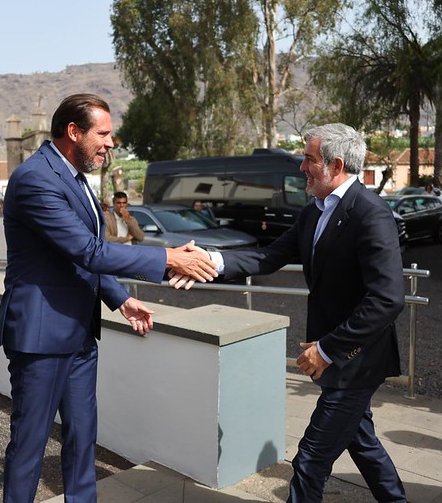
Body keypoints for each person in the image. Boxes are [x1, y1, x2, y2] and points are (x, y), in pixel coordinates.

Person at [0, 93, 217, 502]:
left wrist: (119, 299)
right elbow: (88, 251)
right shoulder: (35, 178)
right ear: (74, 132)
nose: (111, 143)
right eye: (104, 133)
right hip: (41, 337)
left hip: (80, 334)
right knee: (29, 445)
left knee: (83, 439)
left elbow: (79, 258)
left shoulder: (74, 176)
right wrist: (168, 258)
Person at [172, 123, 407, 502]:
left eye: (309, 159)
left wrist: (328, 349)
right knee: (362, 444)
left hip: (356, 361)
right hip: (337, 360)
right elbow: (267, 257)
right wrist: (208, 261)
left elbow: (387, 299)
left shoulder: (370, 213)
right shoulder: (314, 212)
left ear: (337, 164)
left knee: (311, 459)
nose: (301, 168)